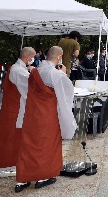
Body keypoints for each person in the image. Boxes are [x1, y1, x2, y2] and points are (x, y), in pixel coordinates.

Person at [15, 46, 77, 193]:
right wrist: (64, 74)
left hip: (31, 112)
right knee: (47, 143)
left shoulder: (35, 70)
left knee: (28, 144)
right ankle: (43, 177)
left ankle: (22, 179)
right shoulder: (55, 74)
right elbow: (67, 91)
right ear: (59, 57)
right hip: (47, 113)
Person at [0, 47, 35, 178]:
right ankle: (6, 167)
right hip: (14, 109)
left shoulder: (17, 68)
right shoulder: (18, 70)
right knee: (10, 138)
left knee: (8, 137)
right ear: (27, 57)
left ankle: (5, 165)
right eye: (33, 57)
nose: (33, 60)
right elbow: (31, 86)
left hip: (12, 107)